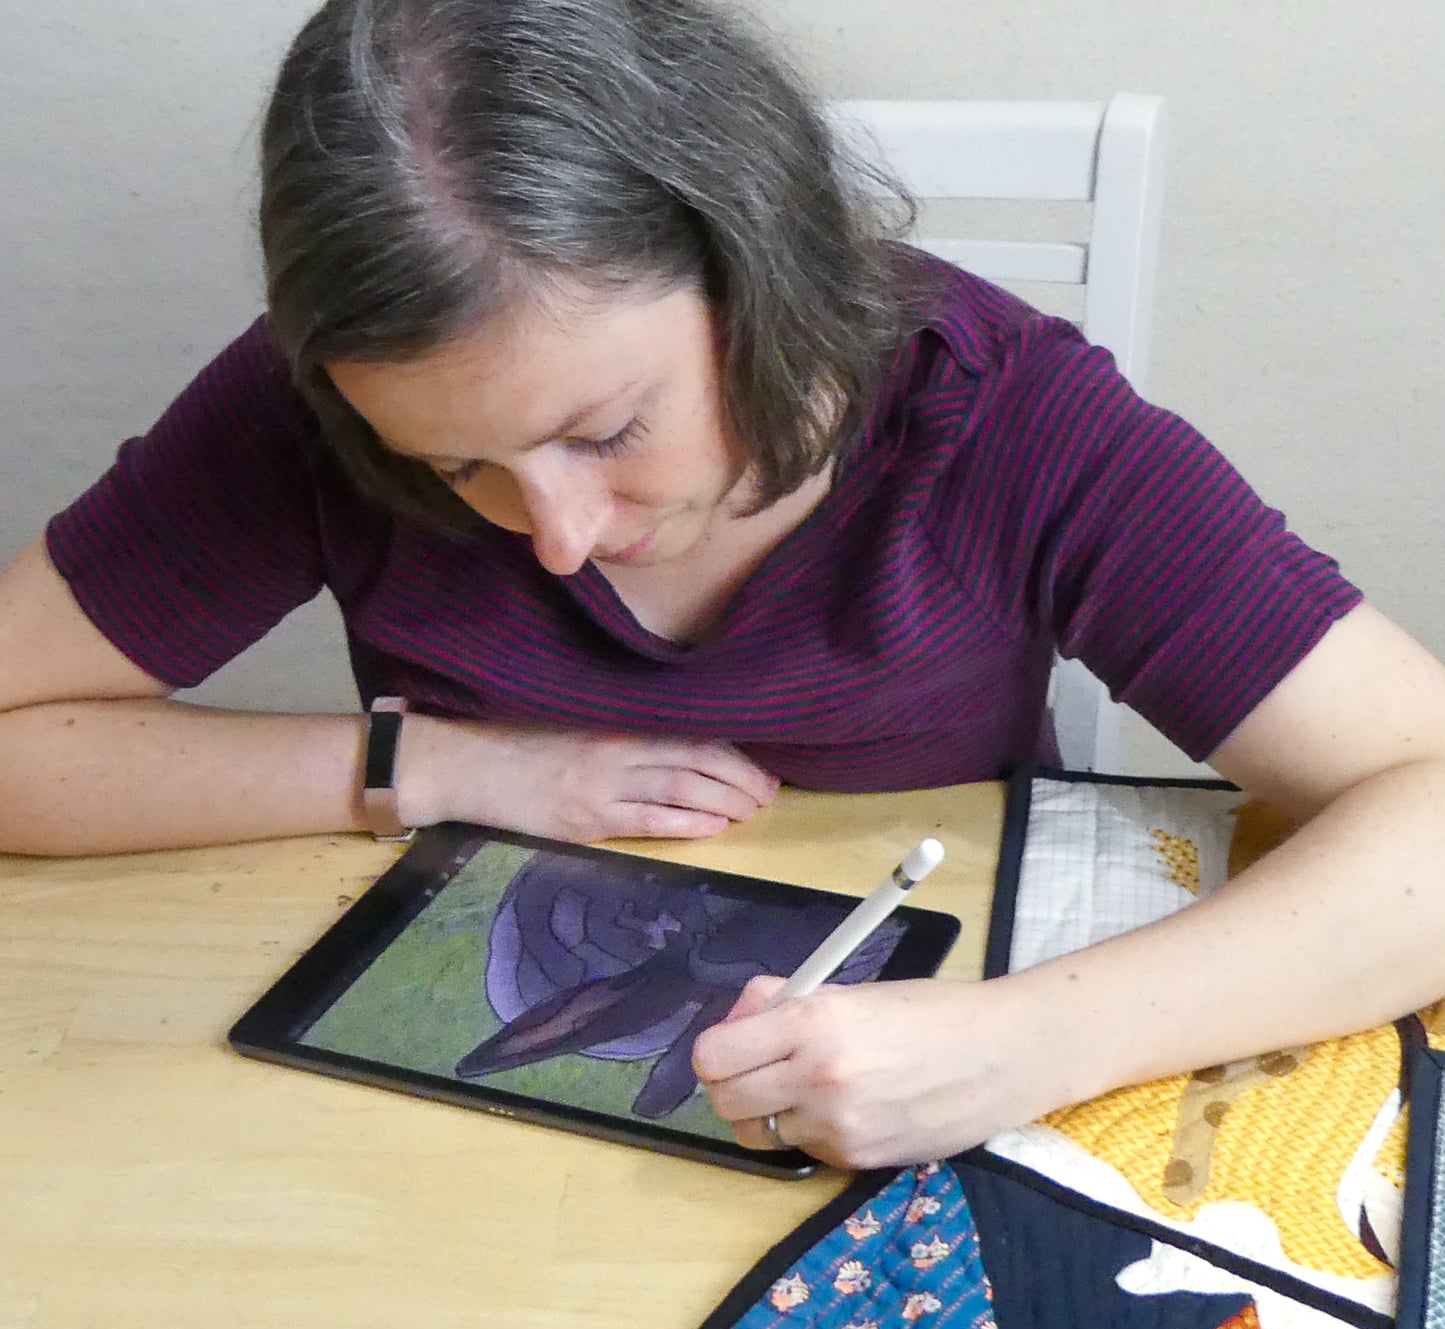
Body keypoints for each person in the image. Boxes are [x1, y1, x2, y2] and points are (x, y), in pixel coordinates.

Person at [2, 0, 1443, 1171]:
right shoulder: (301, 408)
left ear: (756, 265)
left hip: (913, 1083)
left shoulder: (1008, 423)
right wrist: (425, 763)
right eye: (452, 469)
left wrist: (1030, 1038)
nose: (553, 534)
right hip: (447, 1147)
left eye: (605, 431)